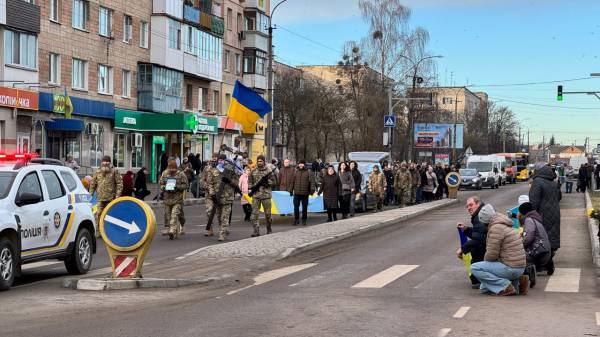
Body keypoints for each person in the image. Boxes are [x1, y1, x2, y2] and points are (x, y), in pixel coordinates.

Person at [470, 204, 528, 296]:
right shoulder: (504, 224)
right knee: (484, 289)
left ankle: (505, 287)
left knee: (475, 267)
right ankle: (519, 282)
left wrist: (487, 266)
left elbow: (491, 256)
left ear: (486, 221)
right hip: (519, 267)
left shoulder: (496, 228)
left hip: (511, 268)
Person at [529, 163, 560, 275]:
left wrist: (530, 215)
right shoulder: (553, 181)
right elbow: (559, 196)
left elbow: (533, 202)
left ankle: (544, 264)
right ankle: (548, 263)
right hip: (554, 213)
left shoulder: (537, 182)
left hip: (541, 214)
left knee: (539, 239)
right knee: (550, 238)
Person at [518, 200, 551, 289]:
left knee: (516, 254)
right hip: (544, 251)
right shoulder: (536, 218)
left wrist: (518, 245)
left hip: (538, 253)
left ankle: (528, 271)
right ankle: (530, 270)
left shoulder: (529, 220)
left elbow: (528, 238)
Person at [206, 154, 240, 241]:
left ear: (226, 160)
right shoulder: (213, 171)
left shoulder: (231, 170)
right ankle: (223, 229)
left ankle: (222, 234)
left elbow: (236, 183)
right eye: (219, 160)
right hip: (217, 198)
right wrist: (212, 194)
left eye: (223, 160)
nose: (221, 161)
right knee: (219, 217)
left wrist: (229, 181)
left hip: (227, 198)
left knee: (225, 217)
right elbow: (210, 183)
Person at [457, 196, 487, 288]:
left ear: (478, 204)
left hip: (488, 250)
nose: (469, 208)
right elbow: (478, 233)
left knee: (476, 248)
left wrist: (462, 249)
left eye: (471, 205)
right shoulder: (480, 213)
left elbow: (479, 238)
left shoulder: (480, 216)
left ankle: (481, 280)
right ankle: (478, 279)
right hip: (489, 247)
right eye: (467, 206)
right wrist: (466, 229)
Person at [89, 156, 123, 237]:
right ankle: (101, 232)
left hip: (111, 197)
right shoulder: (97, 171)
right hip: (100, 198)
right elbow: (93, 183)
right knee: (99, 214)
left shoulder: (115, 171)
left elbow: (119, 183)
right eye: (104, 161)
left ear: (109, 162)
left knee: (110, 215)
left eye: (107, 161)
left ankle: (111, 231)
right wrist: (90, 194)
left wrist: (118, 195)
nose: (105, 163)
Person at [159, 158, 188, 239]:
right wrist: (164, 187)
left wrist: (177, 187)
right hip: (167, 199)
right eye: (170, 168)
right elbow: (161, 183)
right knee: (167, 216)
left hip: (177, 199)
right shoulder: (165, 173)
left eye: (173, 168)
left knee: (174, 215)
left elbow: (186, 185)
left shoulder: (181, 174)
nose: (172, 170)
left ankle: (172, 230)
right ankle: (171, 229)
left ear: (176, 167)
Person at [249, 155, 277, 236]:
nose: (259, 163)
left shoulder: (269, 171)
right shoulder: (253, 171)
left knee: (268, 214)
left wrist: (267, 183)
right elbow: (250, 181)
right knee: (254, 214)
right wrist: (252, 187)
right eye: (258, 161)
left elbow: (274, 182)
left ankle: (269, 228)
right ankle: (256, 230)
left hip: (266, 195)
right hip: (256, 195)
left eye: (261, 161)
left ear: (264, 162)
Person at [290, 160, 315, 226]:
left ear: (304, 164)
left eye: (302, 164)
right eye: (299, 164)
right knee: (296, 206)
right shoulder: (296, 171)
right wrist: (291, 190)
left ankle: (304, 220)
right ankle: (296, 219)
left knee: (304, 207)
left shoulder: (309, 171)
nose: (300, 165)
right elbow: (292, 181)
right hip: (297, 192)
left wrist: (312, 190)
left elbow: (312, 182)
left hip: (305, 193)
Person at [201, 154, 219, 237]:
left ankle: (223, 228)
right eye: (213, 158)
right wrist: (206, 186)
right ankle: (210, 229)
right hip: (209, 195)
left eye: (216, 158)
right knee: (209, 211)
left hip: (220, 194)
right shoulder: (206, 168)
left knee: (221, 213)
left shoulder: (222, 168)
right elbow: (202, 180)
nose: (214, 159)